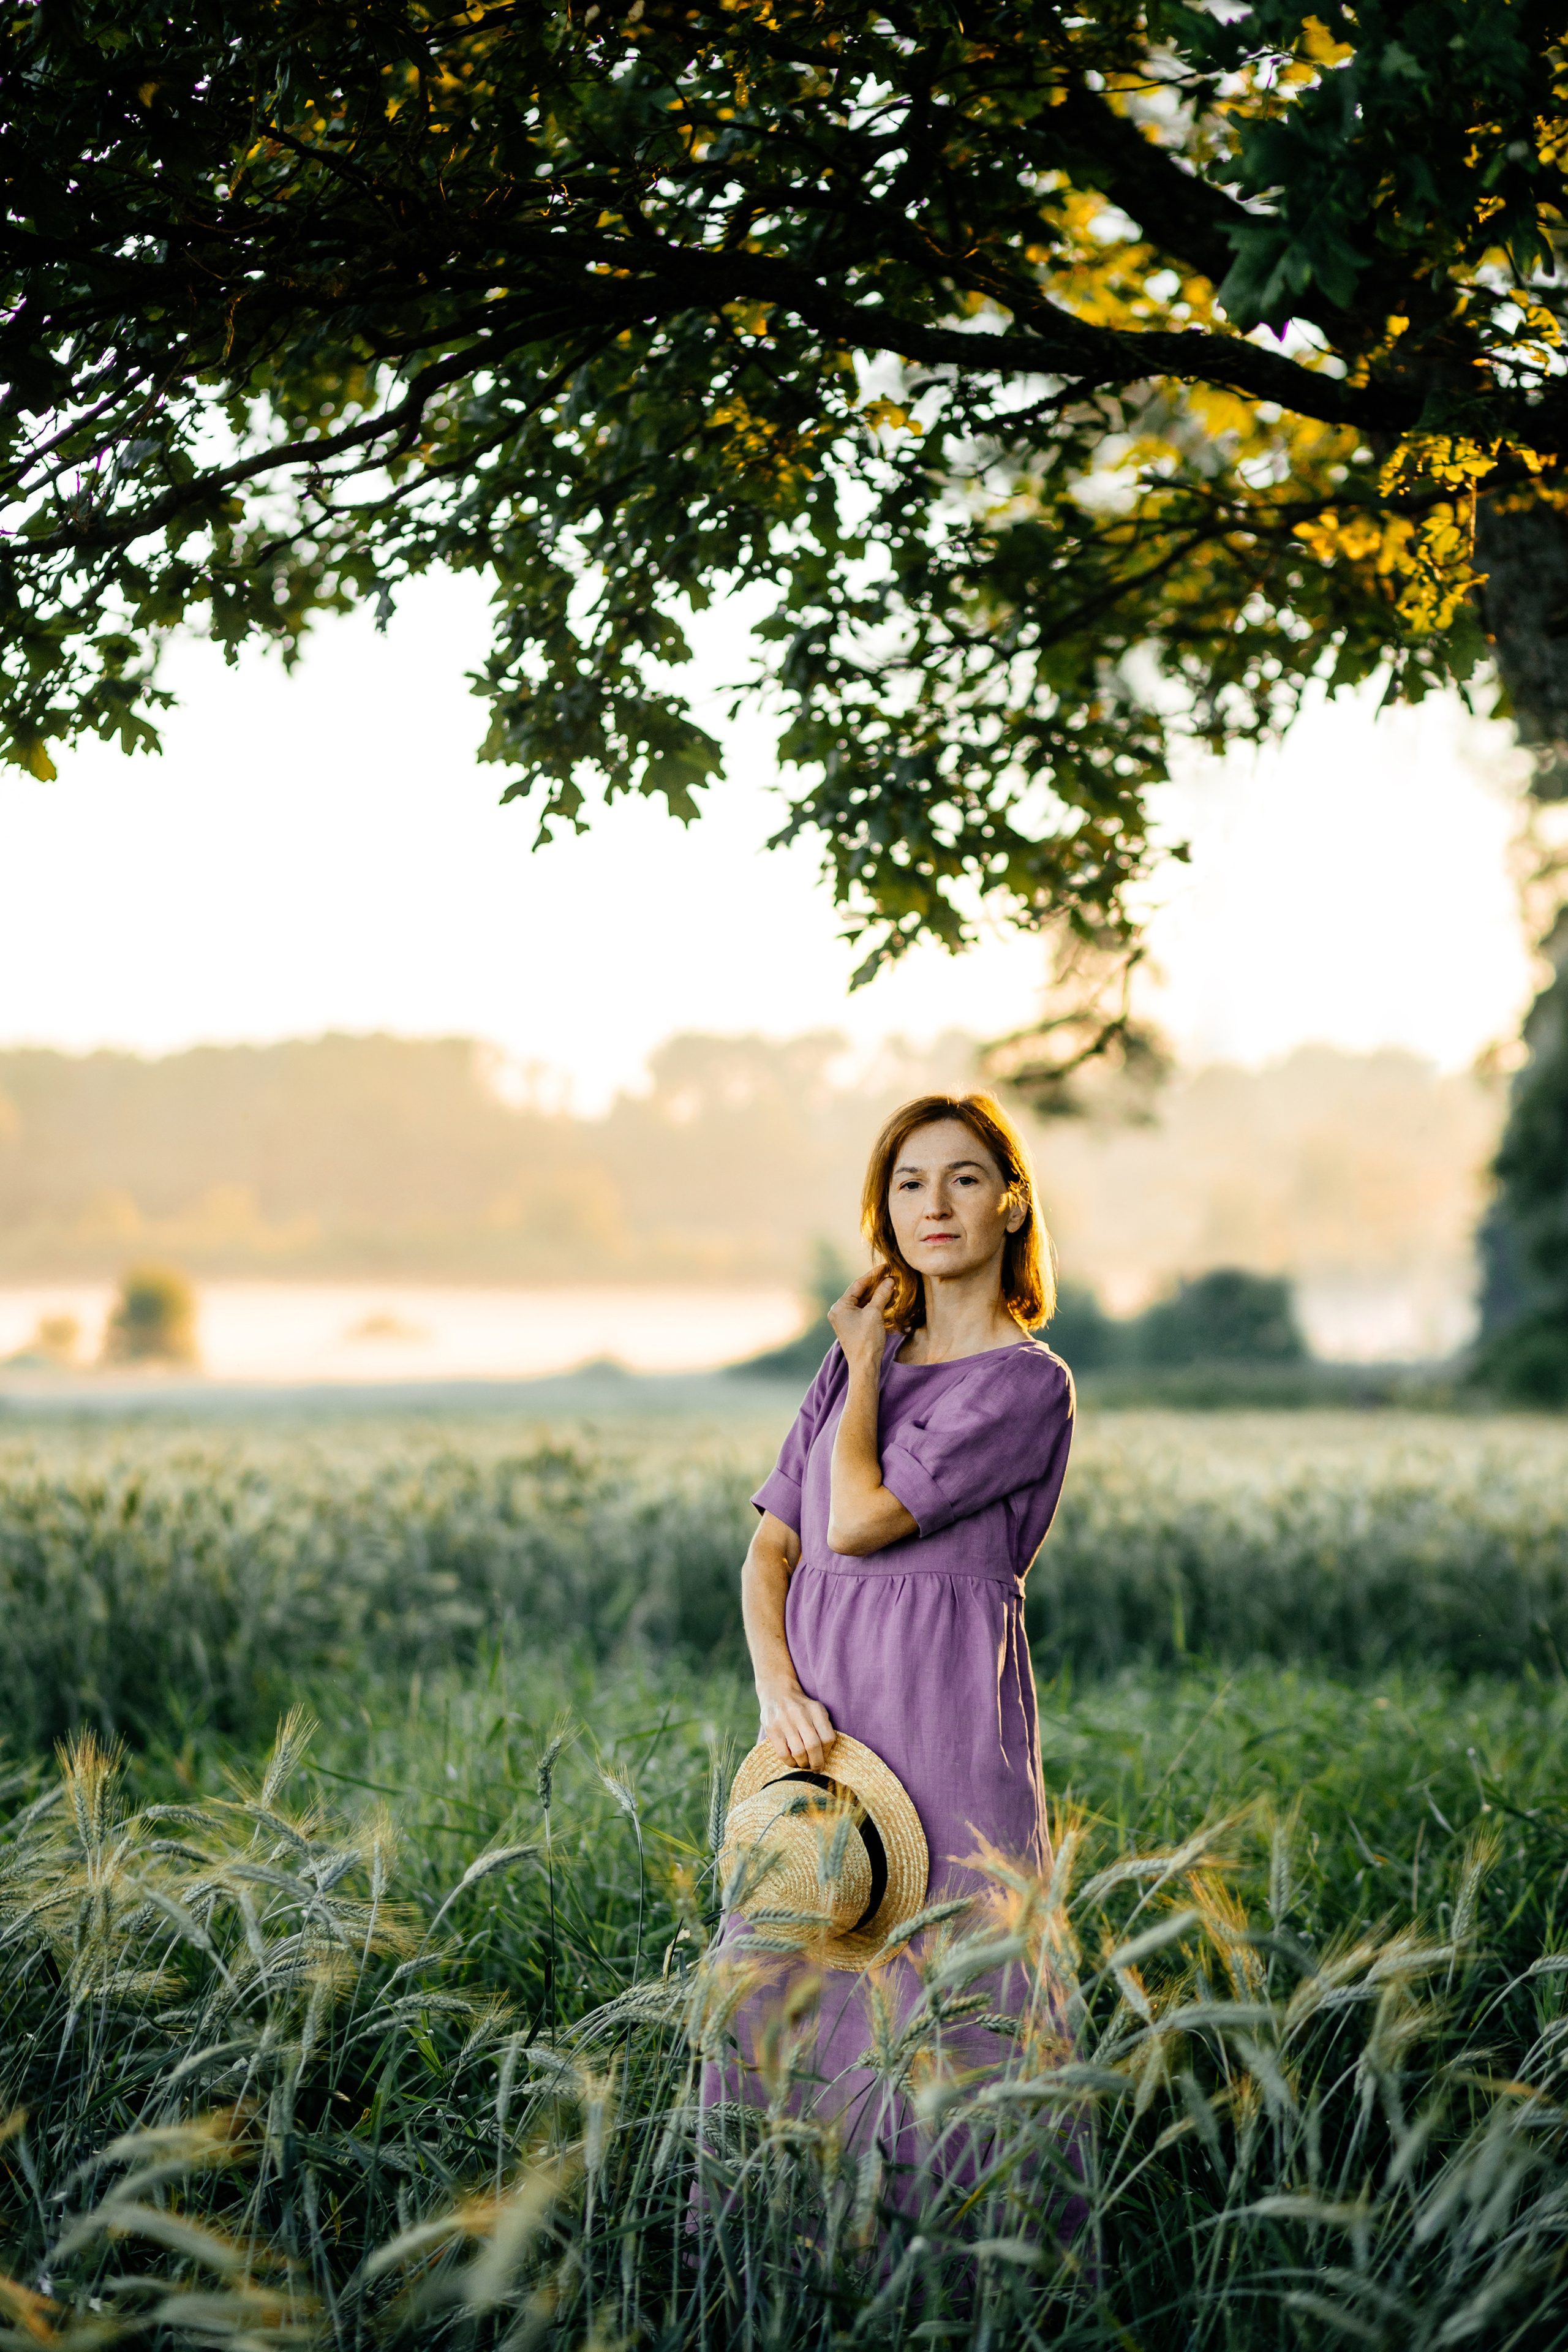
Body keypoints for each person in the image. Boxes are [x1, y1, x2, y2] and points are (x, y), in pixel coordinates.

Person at [700, 1089, 1077, 2201]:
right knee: (777, 1979)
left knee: (959, 1993)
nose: (936, 1204)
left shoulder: (1026, 1385)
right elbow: (772, 1554)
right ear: (886, 1211)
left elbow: (858, 1521)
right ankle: (778, 2258)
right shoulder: (851, 1362)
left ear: (1011, 1205)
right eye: (909, 1183)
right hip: (822, 1728)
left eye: (964, 1178)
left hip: (947, 1728)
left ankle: (967, 2282)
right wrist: (778, 1698)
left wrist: (865, 1366)